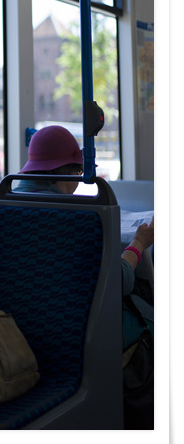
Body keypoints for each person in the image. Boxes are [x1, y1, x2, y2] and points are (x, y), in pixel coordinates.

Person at [16, 124, 154, 426]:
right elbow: (118, 281)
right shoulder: (73, 218)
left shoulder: (7, 204)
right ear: (63, 173)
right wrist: (138, 245)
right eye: (77, 173)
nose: (79, 184)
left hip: (23, 330)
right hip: (80, 331)